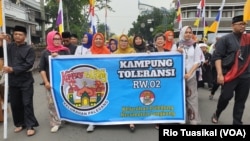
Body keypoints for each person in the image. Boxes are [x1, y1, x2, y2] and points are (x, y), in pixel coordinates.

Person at [0, 25, 39, 136]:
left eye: (20, 34)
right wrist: (1, 40)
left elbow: (28, 64)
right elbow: (1, 52)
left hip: (25, 81)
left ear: (25, 36)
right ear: (13, 35)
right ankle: (20, 124)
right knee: (15, 104)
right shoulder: (9, 47)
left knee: (27, 103)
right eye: (16, 34)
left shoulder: (29, 49)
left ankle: (30, 125)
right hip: (12, 81)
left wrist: (12, 69)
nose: (17, 36)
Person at [211, 15, 250, 125]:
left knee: (240, 101)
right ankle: (217, 113)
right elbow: (217, 57)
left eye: (244, 24)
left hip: (245, 75)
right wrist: (219, 74)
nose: (243, 26)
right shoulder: (225, 39)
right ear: (232, 25)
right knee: (226, 97)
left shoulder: (248, 38)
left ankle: (237, 123)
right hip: (229, 74)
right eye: (240, 24)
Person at [39, 31, 70, 133]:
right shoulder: (45, 53)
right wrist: (46, 82)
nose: (57, 41)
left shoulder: (65, 51)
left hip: (64, 82)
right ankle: (55, 122)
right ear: (50, 39)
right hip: (51, 83)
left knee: (65, 101)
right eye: (54, 39)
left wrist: (59, 57)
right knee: (51, 103)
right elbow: (41, 69)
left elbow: (70, 64)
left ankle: (66, 118)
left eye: (58, 39)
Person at [172, 25, 204, 125]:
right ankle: (181, 118)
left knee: (192, 98)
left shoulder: (195, 46)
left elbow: (197, 62)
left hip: (190, 76)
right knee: (179, 98)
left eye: (190, 32)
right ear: (182, 33)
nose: (188, 34)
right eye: (186, 32)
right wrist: (178, 53)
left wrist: (189, 73)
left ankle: (193, 119)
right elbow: (170, 60)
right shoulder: (176, 45)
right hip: (178, 78)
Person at [86, 33, 111, 132]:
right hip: (92, 79)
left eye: (100, 39)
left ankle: (105, 118)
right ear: (93, 40)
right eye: (96, 39)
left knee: (104, 99)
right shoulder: (88, 52)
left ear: (103, 40)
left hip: (104, 80)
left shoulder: (108, 52)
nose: (98, 40)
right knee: (94, 100)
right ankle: (92, 122)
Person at [113, 34, 136, 132]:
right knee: (121, 99)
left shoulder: (132, 52)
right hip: (119, 82)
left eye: (125, 41)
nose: (123, 42)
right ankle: (121, 117)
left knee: (130, 99)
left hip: (130, 81)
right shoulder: (114, 54)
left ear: (128, 42)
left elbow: (140, 62)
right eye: (121, 40)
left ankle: (131, 121)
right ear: (119, 42)